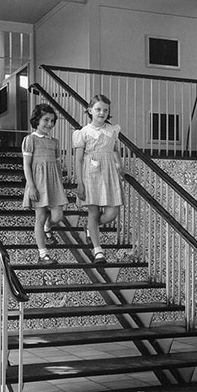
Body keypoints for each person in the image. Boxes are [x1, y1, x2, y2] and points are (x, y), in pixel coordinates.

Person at [73, 94, 125, 264]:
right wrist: (79, 182)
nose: (102, 113)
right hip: (91, 172)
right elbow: (79, 159)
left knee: (112, 212)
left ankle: (91, 227)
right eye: (98, 109)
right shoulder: (84, 132)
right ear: (90, 111)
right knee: (93, 211)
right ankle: (98, 250)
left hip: (109, 171)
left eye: (105, 110)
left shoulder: (112, 130)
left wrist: (119, 165)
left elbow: (116, 149)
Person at [22, 104, 68, 264]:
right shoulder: (30, 140)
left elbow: (57, 164)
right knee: (40, 217)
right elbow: (26, 165)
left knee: (58, 216)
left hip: (53, 182)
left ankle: (48, 228)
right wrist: (31, 186)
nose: (49, 124)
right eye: (46, 120)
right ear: (37, 120)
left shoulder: (54, 142)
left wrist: (60, 183)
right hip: (38, 182)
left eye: (52, 120)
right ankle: (43, 254)